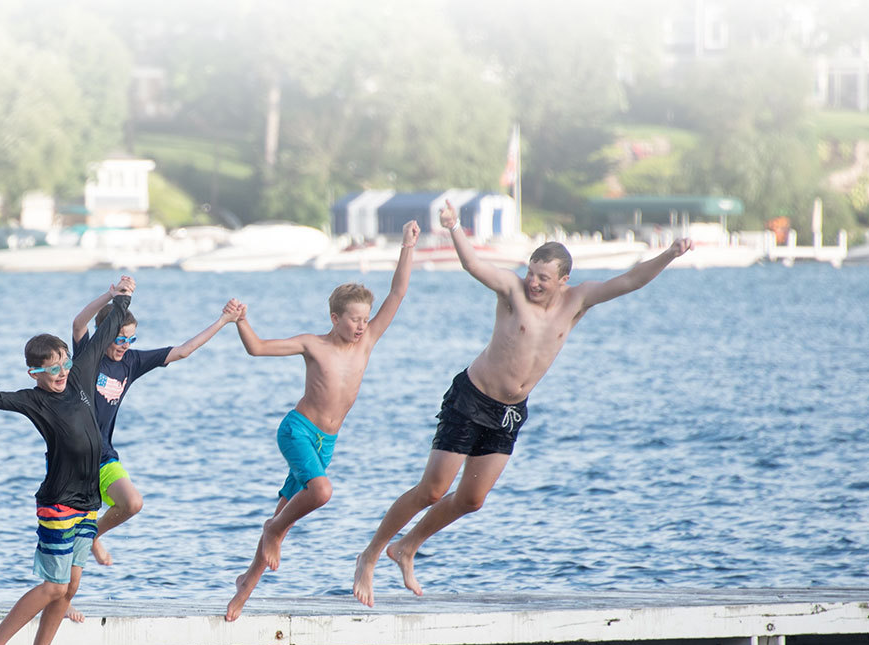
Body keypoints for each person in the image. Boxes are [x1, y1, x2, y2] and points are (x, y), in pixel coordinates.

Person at [352, 201, 692, 603]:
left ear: (564, 280)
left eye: (543, 278)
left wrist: (669, 254)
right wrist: (454, 226)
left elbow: (631, 280)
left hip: (509, 413)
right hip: (471, 398)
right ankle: (370, 555)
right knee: (432, 489)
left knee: (472, 500)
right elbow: (475, 266)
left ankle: (406, 547)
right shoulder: (512, 290)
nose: (533, 282)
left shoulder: (577, 301)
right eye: (531, 272)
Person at [0, 276, 134, 645]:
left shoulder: (80, 376)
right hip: (58, 502)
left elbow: (102, 336)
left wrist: (123, 297)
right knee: (53, 586)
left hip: (87, 502)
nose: (61, 373)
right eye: (51, 369)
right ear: (35, 373)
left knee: (72, 585)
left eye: (63, 363)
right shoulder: (34, 400)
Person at [225, 222, 420, 621]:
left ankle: (245, 586)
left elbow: (398, 292)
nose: (362, 325)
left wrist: (406, 246)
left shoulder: (367, 342)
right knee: (320, 492)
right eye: (353, 319)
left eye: (365, 318)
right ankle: (271, 530)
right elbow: (257, 348)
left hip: (326, 442)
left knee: (288, 513)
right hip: (297, 429)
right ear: (335, 318)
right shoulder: (313, 345)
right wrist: (241, 320)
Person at [68, 283, 239, 571]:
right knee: (67, 554)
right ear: (104, 334)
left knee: (132, 503)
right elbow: (78, 323)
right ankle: (68, 582)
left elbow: (183, 351)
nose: (126, 345)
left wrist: (223, 321)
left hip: (104, 457)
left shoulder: (131, 362)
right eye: (120, 338)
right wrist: (111, 295)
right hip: (72, 461)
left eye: (131, 339)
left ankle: (92, 533)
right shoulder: (88, 355)